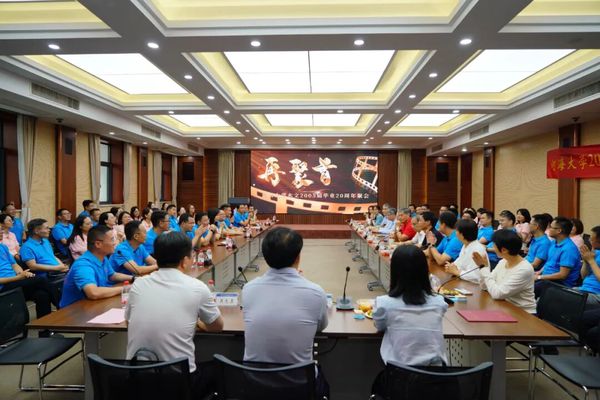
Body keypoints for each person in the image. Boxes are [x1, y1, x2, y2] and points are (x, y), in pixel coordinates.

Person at [126, 232, 224, 398]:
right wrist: (197, 323)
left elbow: (128, 323)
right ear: (185, 261)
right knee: (220, 369)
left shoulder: (138, 285)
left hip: (138, 380)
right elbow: (217, 326)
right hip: (179, 383)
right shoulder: (197, 287)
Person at [242, 227, 329, 398]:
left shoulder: (248, 289)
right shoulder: (315, 292)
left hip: (255, 385)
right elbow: (321, 326)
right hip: (299, 387)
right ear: (298, 257)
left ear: (265, 256)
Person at [372, 245, 447, 374]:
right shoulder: (439, 303)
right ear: (425, 271)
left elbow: (380, 326)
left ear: (395, 271)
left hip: (398, 376)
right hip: (436, 377)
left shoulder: (384, 304)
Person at [59, 225, 131, 308]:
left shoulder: (102, 257)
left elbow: (112, 275)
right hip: (74, 311)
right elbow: (93, 293)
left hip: (95, 305)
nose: (115, 243)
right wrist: (126, 288)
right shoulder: (83, 265)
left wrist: (133, 278)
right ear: (98, 244)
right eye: (112, 239)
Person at [0, 227, 55, 328]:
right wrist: (19, 277)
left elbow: (14, 264)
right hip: (4, 287)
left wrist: (22, 273)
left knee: (42, 295)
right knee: (40, 279)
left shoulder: (2, 247)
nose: (2, 232)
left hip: (15, 282)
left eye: (1, 230)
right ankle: (61, 305)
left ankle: (44, 330)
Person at [476, 229, 537, 314]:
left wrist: (484, 268)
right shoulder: (503, 261)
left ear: (504, 250)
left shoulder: (524, 269)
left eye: (494, 246)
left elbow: (498, 294)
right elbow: (484, 286)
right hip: (505, 306)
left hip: (523, 313)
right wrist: (482, 267)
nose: (493, 248)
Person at [535, 217, 581, 298]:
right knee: (524, 280)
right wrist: (539, 272)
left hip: (560, 284)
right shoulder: (554, 242)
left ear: (559, 231)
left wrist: (539, 277)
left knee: (526, 289)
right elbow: (549, 262)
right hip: (547, 278)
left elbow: (562, 275)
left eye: (551, 227)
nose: (548, 229)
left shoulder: (569, 249)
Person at [444, 219, 488, 283]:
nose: (455, 233)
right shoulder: (466, 245)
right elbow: (460, 261)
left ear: (462, 235)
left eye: (456, 231)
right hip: (464, 282)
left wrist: (457, 272)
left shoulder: (477, 250)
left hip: (476, 286)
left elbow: (476, 276)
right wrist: (451, 266)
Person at [578, 225, 600, 306]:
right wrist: (585, 261)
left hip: (596, 294)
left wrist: (591, 261)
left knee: (563, 298)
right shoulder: (595, 253)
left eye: (591, 239)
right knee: (554, 292)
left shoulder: (593, 257)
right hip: (584, 289)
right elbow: (583, 276)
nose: (589, 240)